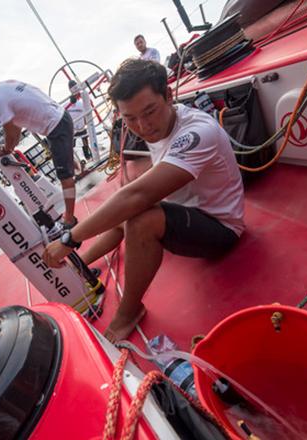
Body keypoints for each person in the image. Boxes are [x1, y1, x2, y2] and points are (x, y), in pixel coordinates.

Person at [43, 59, 245, 342]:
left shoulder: (197, 133)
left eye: (150, 111)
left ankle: (128, 313)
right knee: (125, 210)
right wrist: (74, 253)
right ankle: (81, 266)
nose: (143, 125)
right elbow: (128, 202)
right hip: (184, 214)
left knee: (139, 216)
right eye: (130, 118)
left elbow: (137, 196)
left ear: (169, 96)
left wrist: (68, 239)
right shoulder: (156, 123)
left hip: (220, 229)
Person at [0, 78, 78, 226]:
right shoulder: (5, 85)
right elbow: (15, 127)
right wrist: (10, 146)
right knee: (65, 164)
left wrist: (6, 149)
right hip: (59, 117)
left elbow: (11, 133)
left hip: (55, 125)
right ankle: (73, 164)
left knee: (65, 176)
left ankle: (70, 218)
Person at [66, 80, 93, 161]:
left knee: (83, 140)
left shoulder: (79, 103)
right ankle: (83, 157)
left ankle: (85, 156)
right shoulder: (80, 103)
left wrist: (84, 123)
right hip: (74, 128)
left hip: (77, 127)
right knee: (73, 144)